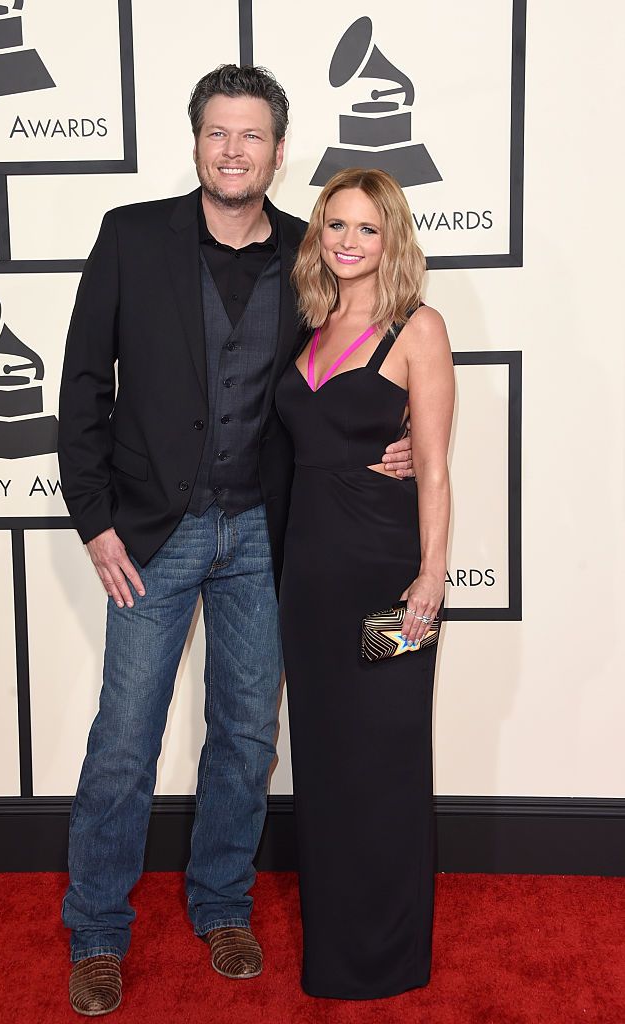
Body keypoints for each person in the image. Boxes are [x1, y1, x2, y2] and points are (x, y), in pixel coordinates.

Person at [57, 67, 414, 1016]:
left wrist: (405, 434)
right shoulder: (131, 236)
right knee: (125, 740)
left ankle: (222, 902)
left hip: (266, 531)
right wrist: (93, 520)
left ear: (278, 150)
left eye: (251, 136)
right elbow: (84, 385)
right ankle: (95, 930)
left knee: (248, 734)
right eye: (218, 134)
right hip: (149, 534)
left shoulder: (311, 251)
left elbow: (362, 357)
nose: (233, 151)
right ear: (196, 142)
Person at [275, 167, 454, 999]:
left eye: (366, 229)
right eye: (336, 225)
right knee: (326, 764)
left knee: (384, 762)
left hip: (387, 579)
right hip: (306, 580)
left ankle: (389, 958)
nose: (348, 242)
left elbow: (435, 472)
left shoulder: (419, 329)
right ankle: (334, 953)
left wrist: (431, 578)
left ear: (393, 240)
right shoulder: (308, 327)